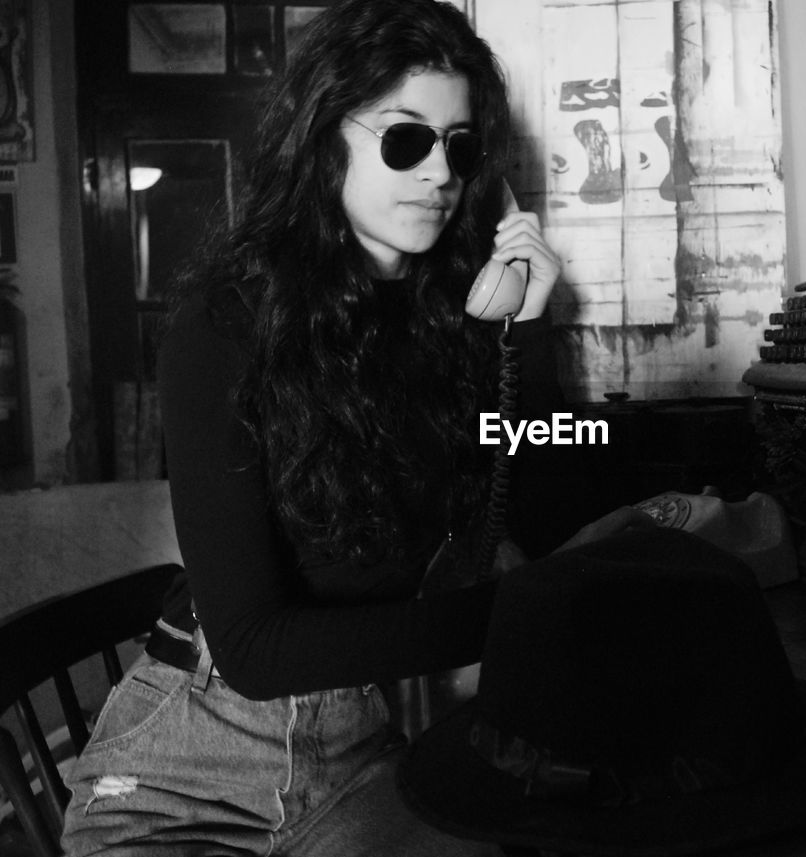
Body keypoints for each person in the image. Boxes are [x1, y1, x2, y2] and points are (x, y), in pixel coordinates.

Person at [60, 1, 570, 853]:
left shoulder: (448, 316)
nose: (441, 173)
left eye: (461, 145)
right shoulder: (221, 327)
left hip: (358, 748)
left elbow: (546, 489)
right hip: (193, 761)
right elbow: (257, 649)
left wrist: (527, 335)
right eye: (406, 138)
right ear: (325, 136)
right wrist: (519, 618)